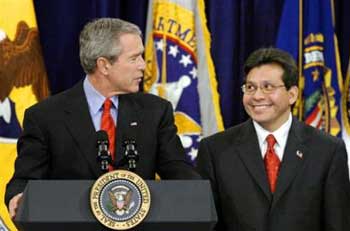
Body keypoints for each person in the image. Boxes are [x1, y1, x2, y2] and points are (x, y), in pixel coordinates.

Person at [6, 18, 199, 218]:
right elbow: (24, 181)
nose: (143, 65)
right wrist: (18, 197)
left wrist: (202, 194)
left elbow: (179, 171)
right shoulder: (45, 117)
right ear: (104, 65)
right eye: (134, 58)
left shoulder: (156, 111)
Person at [196, 47, 350, 231]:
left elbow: (338, 224)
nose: (257, 96)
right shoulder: (215, 150)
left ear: (292, 94)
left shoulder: (328, 150)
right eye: (250, 87)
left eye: (268, 87)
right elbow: (206, 224)